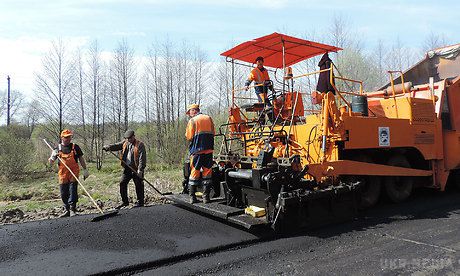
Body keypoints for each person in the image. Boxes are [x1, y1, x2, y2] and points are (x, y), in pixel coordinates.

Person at [49, 129, 89, 217]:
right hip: (63, 173)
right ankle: (66, 209)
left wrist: (85, 169)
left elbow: (81, 159)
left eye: (69, 137)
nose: (68, 139)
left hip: (73, 172)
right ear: (62, 138)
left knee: (73, 190)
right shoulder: (57, 148)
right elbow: (51, 162)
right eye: (66, 137)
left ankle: (72, 209)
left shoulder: (75, 147)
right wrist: (53, 156)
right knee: (63, 192)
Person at [103, 130, 146, 209]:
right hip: (127, 168)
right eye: (127, 138)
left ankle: (140, 202)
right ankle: (125, 202)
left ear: (134, 136)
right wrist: (108, 147)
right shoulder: (125, 143)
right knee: (122, 183)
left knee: (138, 185)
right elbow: (116, 146)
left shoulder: (140, 145)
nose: (128, 140)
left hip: (136, 168)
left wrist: (140, 169)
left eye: (130, 138)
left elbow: (142, 158)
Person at [185, 104, 215, 204]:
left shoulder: (192, 121)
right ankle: (206, 198)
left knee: (194, 173)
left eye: (189, 112)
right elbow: (213, 132)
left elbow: (189, 136)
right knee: (207, 173)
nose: (189, 115)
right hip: (209, 150)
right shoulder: (209, 118)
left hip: (197, 151)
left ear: (194, 110)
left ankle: (192, 197)